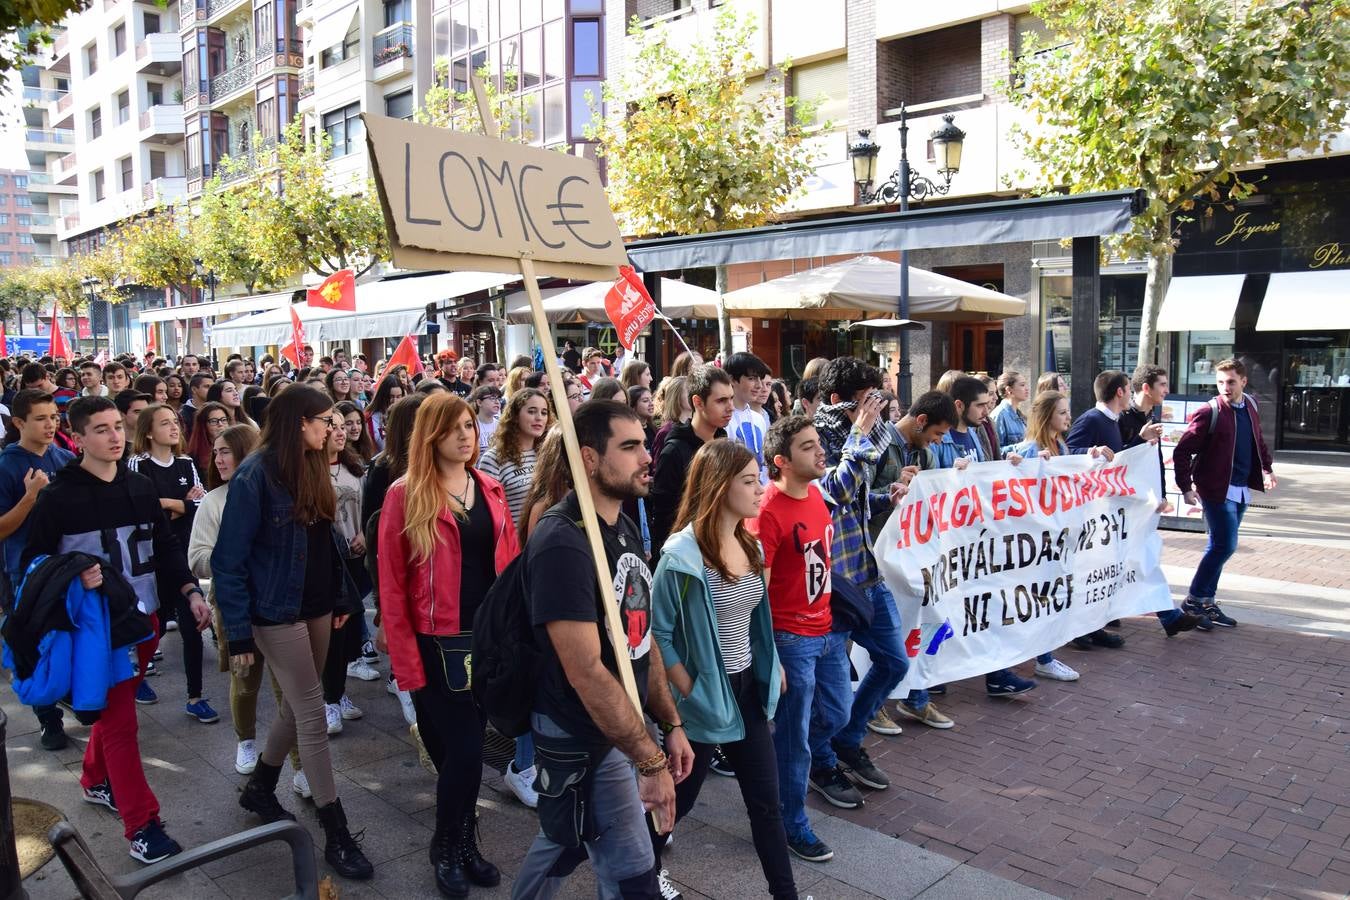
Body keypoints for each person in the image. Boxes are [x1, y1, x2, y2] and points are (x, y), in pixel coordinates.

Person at [511, 401, 693, 900]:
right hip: (581, 728)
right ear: (589, 458)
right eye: (629, 447)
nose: (646, 457)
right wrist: (650, 762)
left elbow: (641, 637)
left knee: (564, 839)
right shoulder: (562, 542)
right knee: (633, 873)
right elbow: (586, 671)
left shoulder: (624, 526)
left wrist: (669, 722)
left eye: (643, 443)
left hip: (621, 723)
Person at [22, 395, 211, 864]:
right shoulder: (58, 497)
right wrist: (72, 574)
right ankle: (142, 826)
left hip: (145, 617)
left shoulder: (141, 486)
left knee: (113, 714)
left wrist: (189, 591)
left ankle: (93, 779)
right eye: (101, 429)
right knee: (122, 721)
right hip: (95, 629)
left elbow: (166, 549)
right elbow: (35, 565)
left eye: (116, 427)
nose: (114, 436)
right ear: (79, 436)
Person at [212, 386, 374, 880]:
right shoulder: (254, 476)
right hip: (274, 611)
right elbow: (228, 561)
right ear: (298, 422)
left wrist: (344, 597)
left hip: (320, 604)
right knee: (312, 710)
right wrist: (238, 635)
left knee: (295, 705)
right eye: (324, 419)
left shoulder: (311, 464)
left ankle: (261, 786)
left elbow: (323, 539)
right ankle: (336, 827)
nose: (333, 427)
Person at [380, 393, 518, 896]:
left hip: (489, 639)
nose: (466, 435)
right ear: (430, 436)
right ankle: (450, 845)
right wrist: (405, 664)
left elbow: (512, 565)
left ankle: (464, 843)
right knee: (462, 751)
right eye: (453, 428)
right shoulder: (405, 494)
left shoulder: (492, 488)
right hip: (438, 643)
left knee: (466, 749)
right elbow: (391, 586)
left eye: (469, 426)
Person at [650, 439, 795, 898]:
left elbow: (755, 617)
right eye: (749, 481)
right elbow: (658, 633)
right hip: (703, 698)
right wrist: (689, 686)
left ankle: (785, 894)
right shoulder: (681, 556)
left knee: (767, 805)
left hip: (747, 689)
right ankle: (643, 870)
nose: (760, 489)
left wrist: (772, 666)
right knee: (680, 799)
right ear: (718, 486)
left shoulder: (748, 543)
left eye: (759, 479)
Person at [810, 360, 931, 806]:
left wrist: (885, 496)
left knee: (894, 662)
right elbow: (833, 493)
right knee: (833, 695)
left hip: (864, 569)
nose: (877, 408)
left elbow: (854, 498)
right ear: (841, 401)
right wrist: (860, 434)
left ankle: (848, 741)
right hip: (833, 583)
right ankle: (820, 761)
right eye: (869, 399)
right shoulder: (816, 438)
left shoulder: (857, 436)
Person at [753, 415, 849, 862]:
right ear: (781, 462)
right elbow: (756, 591)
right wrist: (769, 653)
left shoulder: (815, 494)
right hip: (791, 637)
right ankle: (791, 822)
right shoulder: (768, 511)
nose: (820, 451)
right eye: (808, 447)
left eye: (817, 443)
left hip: (826, 629)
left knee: (837, 713)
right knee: (796, 739)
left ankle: (766, 773)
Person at [190, 424, 275, 775]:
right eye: (216, 451)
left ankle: (300, 763)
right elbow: (196, 559)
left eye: (226, 450)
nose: (218, 458)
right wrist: (233, 556)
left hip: (277, 602)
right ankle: (246, 741)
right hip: (233, 602)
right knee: (244, 681)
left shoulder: (274, 492)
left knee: (290, 690)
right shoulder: (213, 501)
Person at [1172, 358, 1275, 631]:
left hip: (1240, 487)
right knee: (1224, 546)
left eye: (1231, 381)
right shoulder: (1210, 411)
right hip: (1216, 489)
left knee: (1218, 546)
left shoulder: (1251, 405)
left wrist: (1267, 468)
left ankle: (1206, 602)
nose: (1225, 387)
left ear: (1243, 381)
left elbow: (1258, 439)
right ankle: (1194, 600)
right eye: (1220, 382)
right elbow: (1182, 450)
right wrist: (1185, 487)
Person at [127, 405, 214, 717]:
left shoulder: (186, 462)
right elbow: (144, 510)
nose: (174, 427)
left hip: (182, 554)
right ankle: (135, 676)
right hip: (152, 559)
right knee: (156, 625)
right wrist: (180, 504)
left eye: (175, 421)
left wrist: (172, 504)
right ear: (149, 432)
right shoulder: (138, 463)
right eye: (164, 423)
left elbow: (200, 505)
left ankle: (195, 697)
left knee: (193, 629)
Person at [0, 389, 75, 750]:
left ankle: (73, 695)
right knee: (35, 646)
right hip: (25, 571)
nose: (50, 425)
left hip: (66, 566)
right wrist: (30, 497)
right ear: (19, 423)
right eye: (41, 418)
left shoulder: (64, 457)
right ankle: (48, 719)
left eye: (55, 418)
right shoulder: (7, 465)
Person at [320, 404, 370, 733]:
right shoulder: (310, 470)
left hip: (357, 556)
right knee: (333, 635)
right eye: (333, 425)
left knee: (351, 632)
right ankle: (329, 699)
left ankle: (339, 693)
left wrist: (365, 533)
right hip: (329, 562)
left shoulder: (355, 467)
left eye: (344, 426)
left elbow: (369, 506)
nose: (340, 431)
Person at [649, 365, 734, 557]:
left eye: (731, 398)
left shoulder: (724, 442)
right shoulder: (674, 452)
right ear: (698, 402)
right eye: (721, 400)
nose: (730, 407)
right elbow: (664, 518)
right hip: (689, 557)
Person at [726, 352, 772, 484]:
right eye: (752, 378)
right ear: (732, 380)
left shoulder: (759, 419)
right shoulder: (723, 420)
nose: (759, 386)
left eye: (760, 379)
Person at [992, 371, 1029, 454]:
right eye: (1022, 385)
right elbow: (995, 452)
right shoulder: (999, 415)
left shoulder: (1020, 415)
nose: (1027, 388)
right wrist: (1022, 446)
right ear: (1009, 390)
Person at [366, 374, 406, 451]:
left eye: (398, 397)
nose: (395, 401)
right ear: (383, 396)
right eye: (391, 397)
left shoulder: (406, 416)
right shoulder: (369, 417)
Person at [337, 400, 375, 465]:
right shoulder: (336, 455)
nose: (355, 428)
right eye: (349, 423)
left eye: (358, 422)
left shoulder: (364, 448)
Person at [469, 385, 502, 451]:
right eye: (492, 398)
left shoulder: (501, 425)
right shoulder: (471, 425)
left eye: (498, 399)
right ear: (479, 402)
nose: (497, 402)